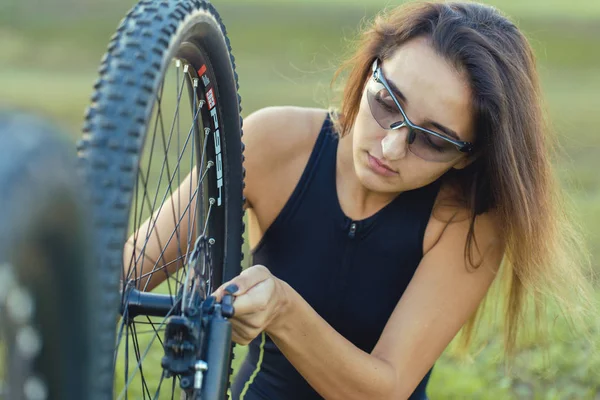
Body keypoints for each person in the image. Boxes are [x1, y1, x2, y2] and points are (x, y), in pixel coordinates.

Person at [124, 1, 596, 399]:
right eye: (387, 102)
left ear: (466, 159)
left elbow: (386, 388)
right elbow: (127, 270)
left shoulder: (469, 223)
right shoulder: (273, 143)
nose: (389, 148)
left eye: (433, 141)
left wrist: (284, 308)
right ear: (370, 68)